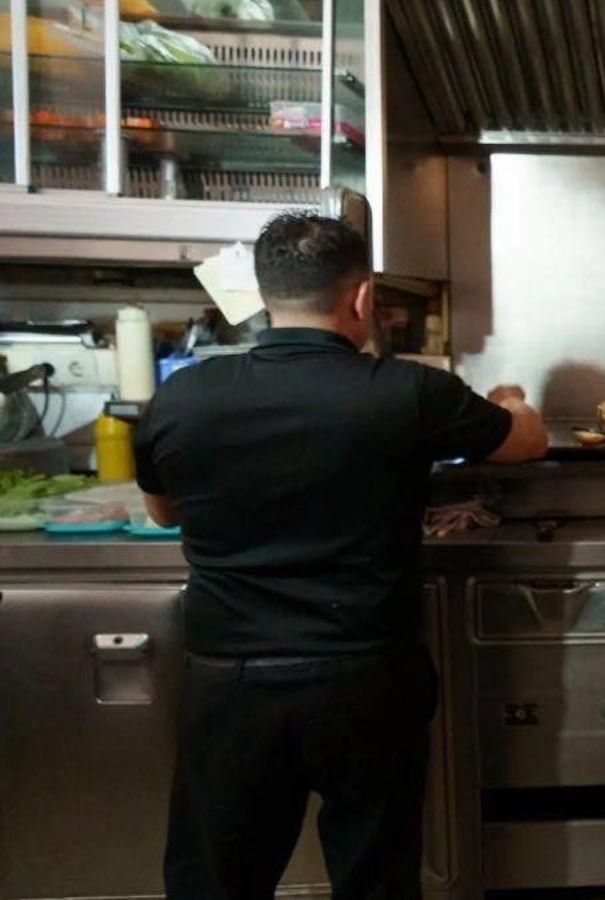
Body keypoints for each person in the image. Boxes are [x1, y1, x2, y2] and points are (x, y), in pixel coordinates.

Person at [135, 212, 547, 899]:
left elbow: (163, 511)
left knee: (219, 881)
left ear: (266, 295)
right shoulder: (409, 392)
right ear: (362, 298)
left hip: (231, 684)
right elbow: (526, 442)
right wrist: (512, 400)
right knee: (374, 877)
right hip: (365, 678)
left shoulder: (182, 398)